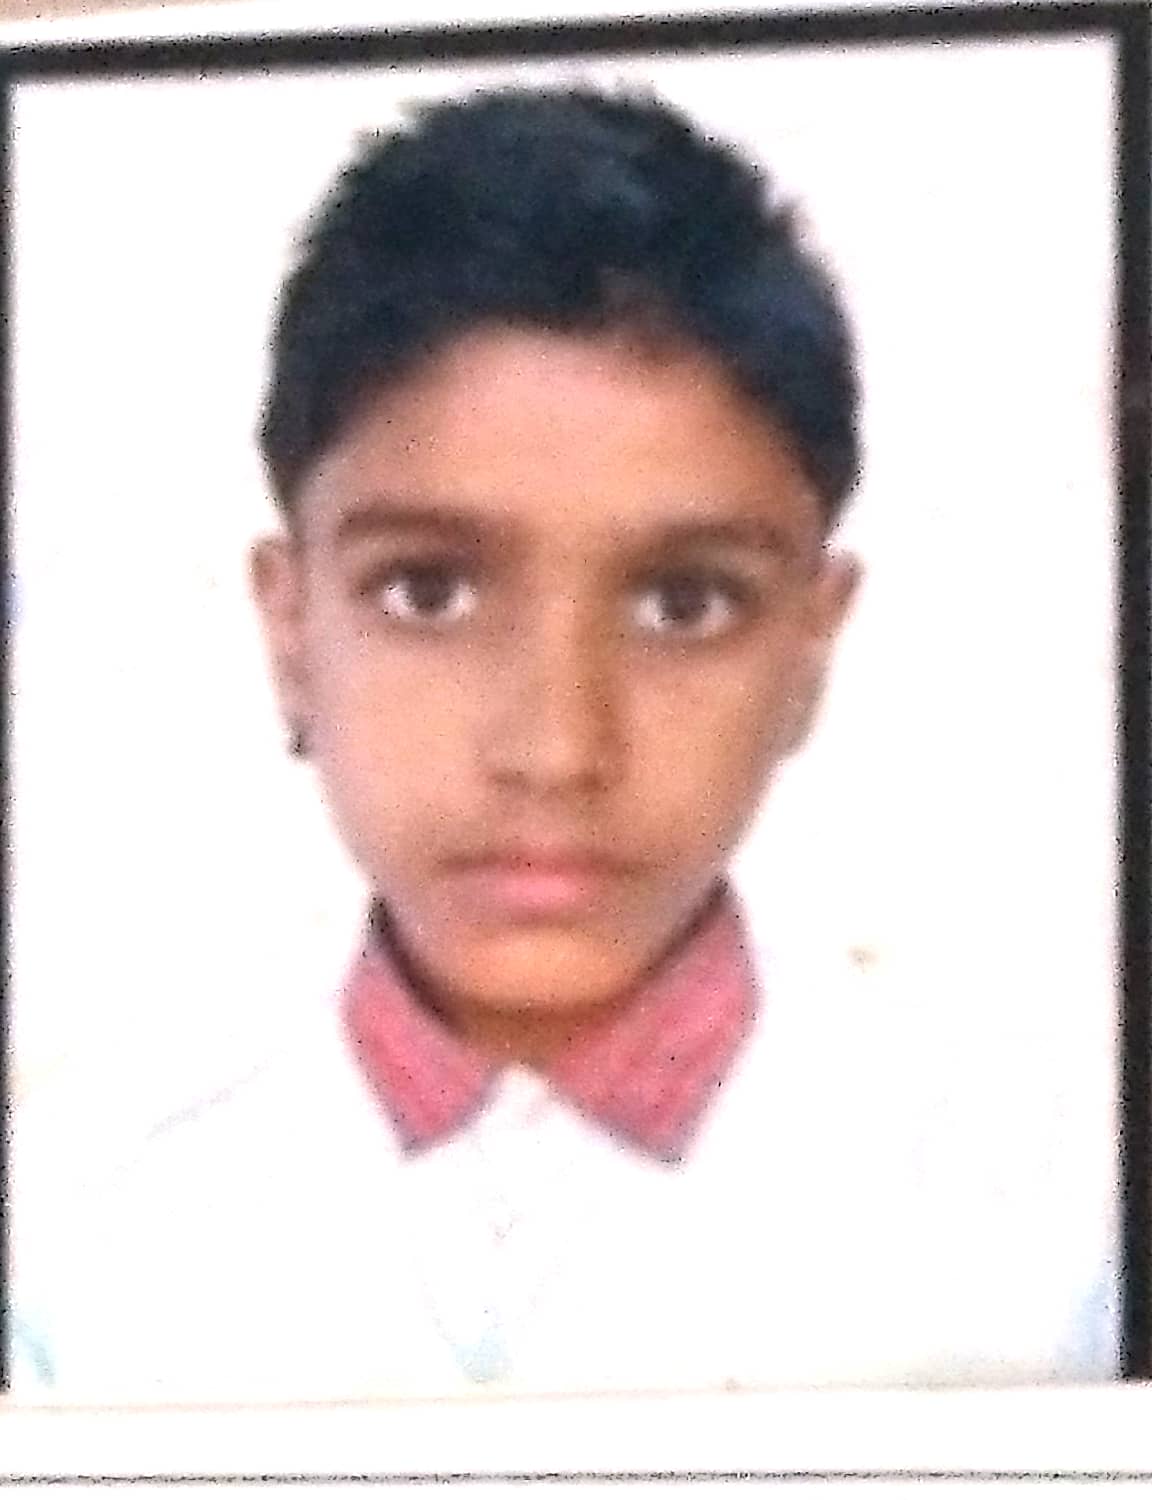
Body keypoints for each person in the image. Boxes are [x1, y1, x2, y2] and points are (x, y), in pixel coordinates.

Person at [8, 85, 1116, 1402]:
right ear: (291, 630)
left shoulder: (1062, 1225)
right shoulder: (66, 1225)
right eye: (428, 591)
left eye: (684, 604)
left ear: (811, 647)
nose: (556, 749)